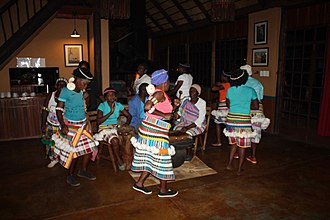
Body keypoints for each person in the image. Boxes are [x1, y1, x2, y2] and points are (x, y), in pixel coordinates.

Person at [130, 69, 178, 198]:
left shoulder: (160, 93)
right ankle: (163, 189)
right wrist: (164, 115)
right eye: (168, 80)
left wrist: (172, 110)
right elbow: (147, 107)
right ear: (164, 82)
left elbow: (154, 108)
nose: (169, 83)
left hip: (152, 129)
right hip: (155, 130)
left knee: (151, 156)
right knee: (164, 157)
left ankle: (139, 183)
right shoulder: (159, 93)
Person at [52, 67, 99, 187]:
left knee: (90, 148)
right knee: (73, 153)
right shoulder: (66, 91)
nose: (85, 86)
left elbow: (87, 106)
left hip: (83, 125)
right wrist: (62, 125)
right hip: (70, 126)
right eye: (84, 83)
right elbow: (59, 109)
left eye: (87, 84)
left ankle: (83, 170)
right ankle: (70, 175)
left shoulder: (83, 92)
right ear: (77, 80)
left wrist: (87, 98)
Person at [224, 68, 259, 174]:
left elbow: (228, 104)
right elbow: (256, 106)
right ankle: (239, 169)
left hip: (231, 121)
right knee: (242, 146)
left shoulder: (230, 90)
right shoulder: (250, 90)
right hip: (244, 122)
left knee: (233, 144)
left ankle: (229, 164)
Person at [93, 88, 132, 171]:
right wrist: (110, 112)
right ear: (106, 97)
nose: (112, 97)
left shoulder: (118, 105)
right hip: (104, 128)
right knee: (115, 140)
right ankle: (119, 160)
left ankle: (126, 158)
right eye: (109, 95)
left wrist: (125, 125)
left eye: (113, 95)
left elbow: (129, 116)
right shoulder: (102, 106)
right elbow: (98, 121)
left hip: (115, 127)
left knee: (128, 137)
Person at [240, 64, 270, 164]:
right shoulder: (258, 83)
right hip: (258, 110)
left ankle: (238, 152)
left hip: (246, 108)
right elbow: (260, 98)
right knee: (256, 132)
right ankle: (253, 156)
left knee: (242, 130)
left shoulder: (241, 83)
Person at [41, 77, 68, 168]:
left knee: (62, 143)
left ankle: (61, 158)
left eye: (64, 85)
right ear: (56, 86)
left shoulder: (68, 97)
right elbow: (45, 110)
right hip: (50, 124)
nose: (61, 87)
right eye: (60, 85)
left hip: (62, 125)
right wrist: (43, 124)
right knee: (50, 142)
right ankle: (53, 159)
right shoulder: (50, 96)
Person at [211, 71, 231, 147]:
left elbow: (213, 88)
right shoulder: (228, 84)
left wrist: (216, 84)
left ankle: (219, 141)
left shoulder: (226, 84)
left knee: (218, 123)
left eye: (222, 76)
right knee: (227, 123)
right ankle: (230, 141)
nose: (221, 77)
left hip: (223, 105)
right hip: (226, 105)